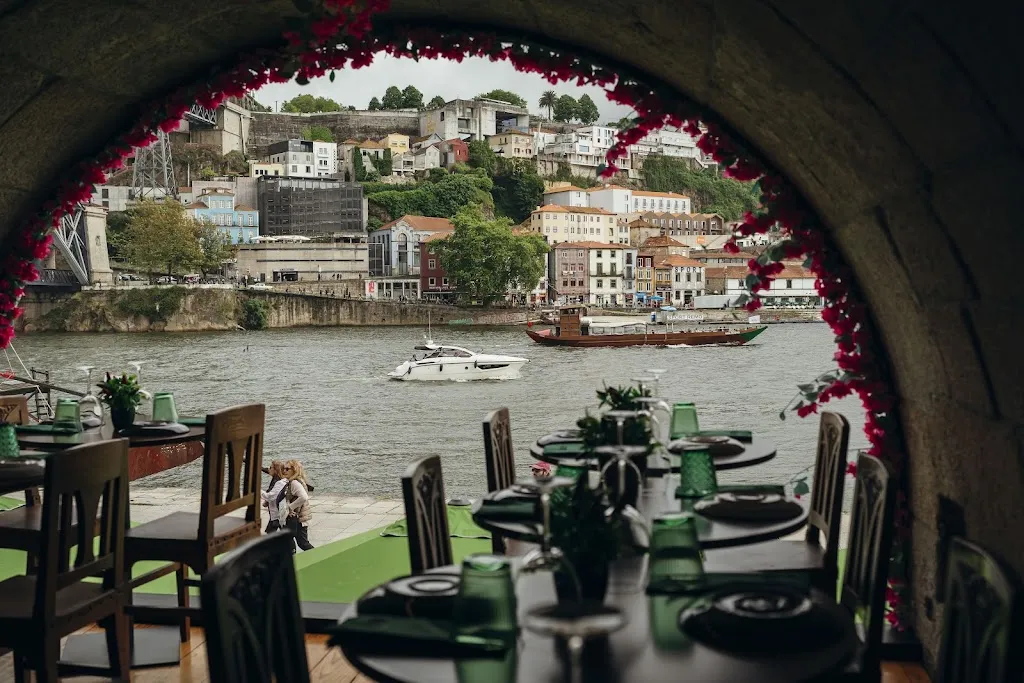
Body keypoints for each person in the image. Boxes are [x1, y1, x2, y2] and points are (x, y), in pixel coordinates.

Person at [283, 459, 314, 553]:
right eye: (284, 468)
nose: (284, 471)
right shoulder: (297, 481)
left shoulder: (294, 483)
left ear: (294, 470)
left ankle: (320, 557)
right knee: (298, 542)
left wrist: (290, 507)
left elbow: (304, 497)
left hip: (298, 519)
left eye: (287, 469)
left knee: (302, 543)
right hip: (300, 518)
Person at [261, 460, 288, 533]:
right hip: (276, 512)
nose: (269, 469)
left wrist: (257, 490)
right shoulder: (277, 479)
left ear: (276, 470)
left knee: (271, 533)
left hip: (277, 512)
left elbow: (270, 495)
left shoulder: (277, 481)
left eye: (271, 467)